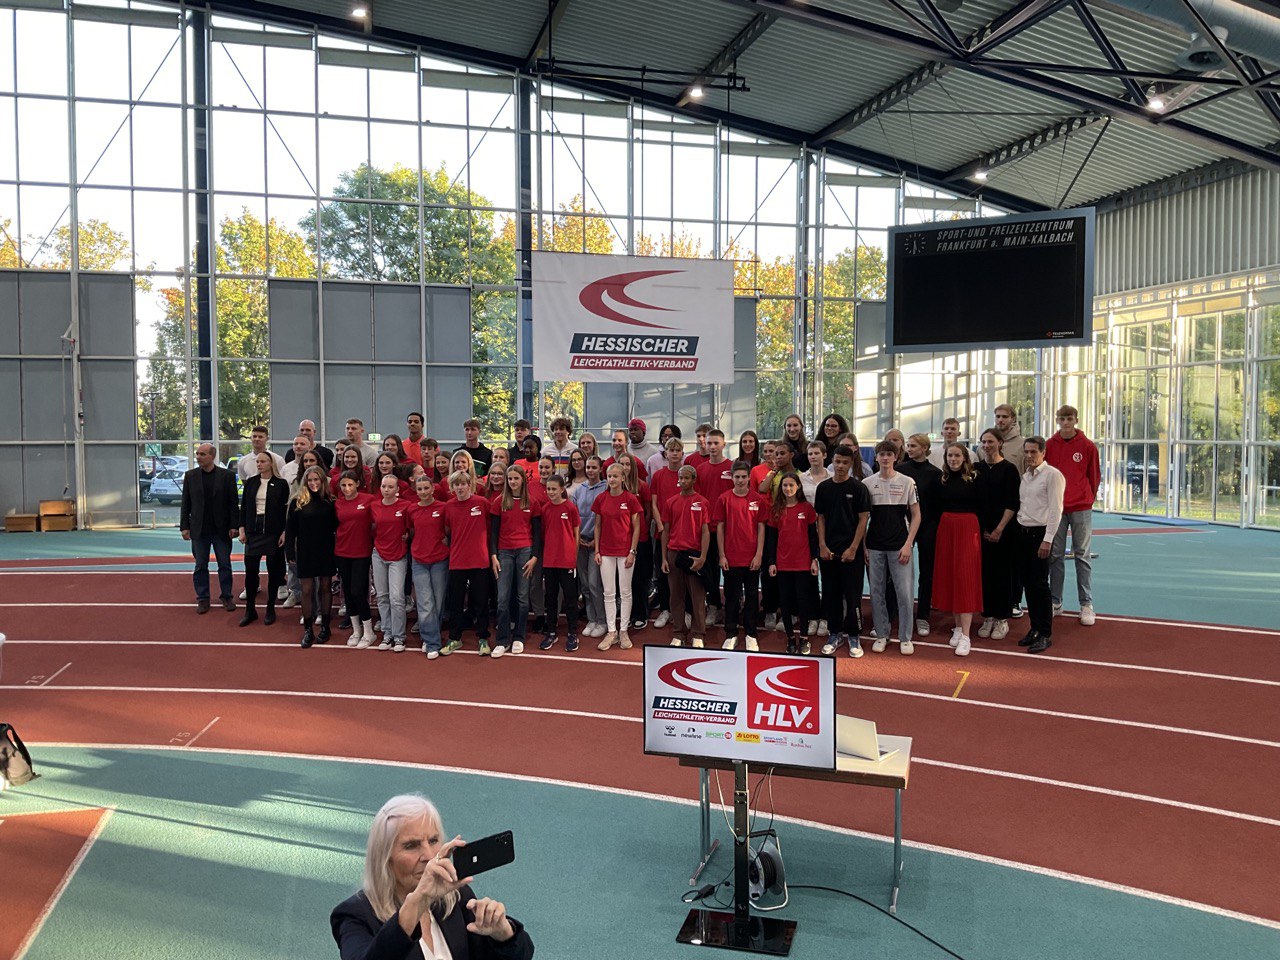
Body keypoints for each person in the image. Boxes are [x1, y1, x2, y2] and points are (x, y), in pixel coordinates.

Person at [330, 794, 534, 960]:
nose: (428, 856)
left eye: (433, 840)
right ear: (384, 857)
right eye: (411, 845)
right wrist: (418, 900)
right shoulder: (354, 915)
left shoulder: (455, 898)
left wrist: (502, 934)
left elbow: (522, 954)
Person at [864, 440, 921, 655]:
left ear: (896, 457)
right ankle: (882, 634)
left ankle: (905, 637)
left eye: (889, 454)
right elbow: (863, 518)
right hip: (875, 546)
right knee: (877, 592)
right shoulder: (867, 483)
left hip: (899, 546)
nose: (885, 458)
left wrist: (908, 544)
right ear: (876, 457)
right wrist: (865, 547)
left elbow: (916, 515)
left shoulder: (907, 482)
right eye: (882, 454)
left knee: (904, 593)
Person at [1045, 404, 1100, 625]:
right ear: (1057, 420)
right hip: (1056, 509)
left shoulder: (1087, 446)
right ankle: (1055, 601)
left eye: (1069, 419)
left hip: (1080, 507)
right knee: (1055, 555)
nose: (1066, 422)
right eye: (1062, 418)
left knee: (1082, 555)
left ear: (1076, 420)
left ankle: (1086, 604)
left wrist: (1087, 498)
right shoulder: (1049, 445)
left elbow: (1094, 476)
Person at [815, 445, 872, 658]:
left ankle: (854, 635)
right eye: (837, 461)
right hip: (829, 551)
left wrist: (853, 548)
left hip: (851, 552)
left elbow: (863, 519)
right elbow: (820, 518)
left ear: (851, 464)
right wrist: (822, 545)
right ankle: (834, 634)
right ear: (832, 461)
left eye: (844, 463)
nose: (840, 466)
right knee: (831, 594)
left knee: (852, 594)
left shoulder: (859, 488)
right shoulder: (823, 488)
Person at [932, 444, 984, 657]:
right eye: (950, 455)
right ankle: (958, 627)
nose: (953, 459)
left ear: (965, 458)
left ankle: (966, 636)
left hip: (967, 527)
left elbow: (983, 506)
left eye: (957, 455)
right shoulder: (942, 479)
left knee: (965, 578)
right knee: (951, 577)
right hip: (946, 527)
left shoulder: (975, 478)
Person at [1017, 437, 1065, 655]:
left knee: (1040, 585)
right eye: (1026, 452)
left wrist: (1048, 539)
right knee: (1028, 584)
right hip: (1023, 534)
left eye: (1033, 452)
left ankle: (1045, 633)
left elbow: (1056, 510)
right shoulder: (1026, 476)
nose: (1029, 456)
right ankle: (1034, 628)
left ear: (1043, 453)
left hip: (1040, 535)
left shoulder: (1053, 475)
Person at [180, 442, 240, 614]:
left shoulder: (227, 476)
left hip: (221, 530)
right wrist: (184, 527)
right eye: (197, 454)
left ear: (212, 456)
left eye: (202, 454)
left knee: (225, 565)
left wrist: (234, 525)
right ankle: (203, 598)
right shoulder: (190, 476)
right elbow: (185, 503)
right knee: (200, 566)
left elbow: (233, 503)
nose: (198, 457)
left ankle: (226, 596)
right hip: (199, 530)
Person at [765, 472, 819, 655]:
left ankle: (804, 638)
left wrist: (814, 559)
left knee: (803, 601)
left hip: (803, 563)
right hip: (783, 564)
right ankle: (790, 638)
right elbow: (772, 539)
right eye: (785, 485)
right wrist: (772, 562)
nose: (788, 489)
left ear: (798, 487)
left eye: (791, 485)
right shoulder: (776, 510)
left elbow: (813, 536)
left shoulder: (807, 508)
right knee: (785, 602)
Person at [491, 464, 541, 659]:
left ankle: (519, 636)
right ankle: (502, 640)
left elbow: (537, 533)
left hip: (525, 552)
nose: (512, 482)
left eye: (516, 478)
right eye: (510, 478)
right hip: (504, 553)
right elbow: (493, 532)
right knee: (502, 598)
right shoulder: (499, 502)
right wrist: (493, 556)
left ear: (522, 480)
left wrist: (534, 556)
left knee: (522, 597)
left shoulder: (532, 503)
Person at [285, 466, 338, 648]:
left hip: (326, 550)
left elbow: (337, 527)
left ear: (323, 481)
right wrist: (289, 551)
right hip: (305, 551)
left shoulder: (331, 501)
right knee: (306, 590)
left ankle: (325, 627)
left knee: (325, 587)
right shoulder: (297, 501)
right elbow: (290, 529)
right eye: (310, 480)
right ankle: (308, 629)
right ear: (305, 482)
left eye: (317, 480)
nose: (313, 483)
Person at [715, 461, 766, 651]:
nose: (741, 480)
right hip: (731, 558)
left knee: (752, 597)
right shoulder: (724, 499)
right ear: (732, 477)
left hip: (752, 558)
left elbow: (761, 528)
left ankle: (751, 634)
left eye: (744, 477)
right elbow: (720, 528)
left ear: (749, 478)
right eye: (737, 477)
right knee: (732, 597)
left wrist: (759, 554)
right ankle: (731, 633)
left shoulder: (758, 499)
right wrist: (722, 555)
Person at [975, 427, 1020, 642]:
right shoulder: (976, 469)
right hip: (981, 532)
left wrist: (999, 529)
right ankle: (988, 616)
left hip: (1004, 532)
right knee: (985, 574)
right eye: (983, 442)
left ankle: (1002, 618)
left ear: (1000, 443)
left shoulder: (1009, 470)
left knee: (1002, 574)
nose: (986, 445)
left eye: (990, 442)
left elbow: (1012, 503)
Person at [592, 463, 641, 651]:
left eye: (615, 476)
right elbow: (598, 526)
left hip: (625, 552)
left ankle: (623, 631)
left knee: (626, 592)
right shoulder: (601, 498)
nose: (611, 479)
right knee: (609, 592)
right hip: (605, 552)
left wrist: (632, 551)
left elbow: (636, 527)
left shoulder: (630, 499)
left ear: (623, 478)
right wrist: (597, 550)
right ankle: (611, 631)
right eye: (609, 476)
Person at [443, 471, 494, 655]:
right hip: (457, 560)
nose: (460, 487)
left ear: (470, 485)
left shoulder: (482, 503)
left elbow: (490, 527)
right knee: (456, 602)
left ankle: (483, 638)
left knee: (481, 601)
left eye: (463, 484)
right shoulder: (449, 506)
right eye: (456, 484)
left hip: (479, 559)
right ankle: (454, 638)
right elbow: (447, 530)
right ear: (452, 487)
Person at [661, 465, 711, 649]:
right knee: (676, 596)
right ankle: (679, 632)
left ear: (694, 480)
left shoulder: (702, 502)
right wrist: (664, 558)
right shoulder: (670, 502)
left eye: (686, 478)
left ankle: (698, 633)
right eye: (680, 478)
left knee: (697, 596)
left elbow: (705, 531)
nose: (682, 481)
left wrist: (703, 557)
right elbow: (665, 531)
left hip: (694, 555)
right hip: (674, 553)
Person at [898, 434, 943, 638]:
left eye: (913, 446)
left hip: (927, 526)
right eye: (908, 445)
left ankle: (923, 615)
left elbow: (937, 504)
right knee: (899, 570)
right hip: (903, 525)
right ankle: (898, 611)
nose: (909, 449)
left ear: (925, 448)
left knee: (926, 572)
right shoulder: (900, 470)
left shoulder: (935, 474)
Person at [239, 451, 290, 627]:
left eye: (263, 461)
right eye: (258, 462)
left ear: (271, 463)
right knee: (251, 572)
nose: (259, 464)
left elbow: (285, 511)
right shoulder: (251, 482)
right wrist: (242, 529)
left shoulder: (281, 484)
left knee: (273, 571)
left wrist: (284, 532)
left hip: (273, 532)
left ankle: (270, 608)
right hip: (253, 531)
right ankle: (250, 610)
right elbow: (244, 507)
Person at [695, 430, 733, 627]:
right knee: (709, 571)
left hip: (730, 529)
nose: (712, 446)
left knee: (730, 570)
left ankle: (733, 605)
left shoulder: (732, 468)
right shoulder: (701, 470)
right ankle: (714, 605)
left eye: (716, 443)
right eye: (709, 443)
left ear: (724, 444)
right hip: (708, 529)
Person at [370, 474, 412, 653]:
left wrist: (407, 536)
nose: (386, 490)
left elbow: (411, 528)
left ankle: (399, 636)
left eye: (390, 487)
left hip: (398, 556)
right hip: (378, 554)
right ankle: (387, 634)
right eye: (384, 486)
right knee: (382, 596)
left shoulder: (406, 506)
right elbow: (372, 528)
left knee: (396, 597)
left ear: (397, 489)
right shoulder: (374, 506)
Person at [539, 474, 581, 652]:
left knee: (570, 598)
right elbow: (543, 534)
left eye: (554, 489)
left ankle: (572, 632)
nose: (551, 492)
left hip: (566, 560)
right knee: (550, 598)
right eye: (548, 489)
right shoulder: (545, 509)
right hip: (550, 561)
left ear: (562, 489)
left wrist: (574, 557)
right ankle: (551, 632)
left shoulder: (570, 508)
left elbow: (576, 533)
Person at [408, 475, 449, 660]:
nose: (423, 492)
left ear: (433, 489)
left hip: (439, 560)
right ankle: (432, 641)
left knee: (438, 601)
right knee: (425, 602)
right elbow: (411, 531)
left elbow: (448, 529)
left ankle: (433, 633)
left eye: (426, 488)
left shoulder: (443, 508)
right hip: (419, 561)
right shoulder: (412, 509)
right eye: (420, 489)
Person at [335, 470, 377, 647]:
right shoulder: (337, 503)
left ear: (357, 484)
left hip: (362, 552)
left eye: (350, 485)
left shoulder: (368, 500)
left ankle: (368, 631)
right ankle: (356, 630)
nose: (347, 488)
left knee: (358, 591)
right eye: (343, 485)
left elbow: (378, 520)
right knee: (348, 592)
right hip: (342, 551)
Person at [647, 438, 684, 629]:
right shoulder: (659, 475)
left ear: (682, 453)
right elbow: (653, 503)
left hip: (683, 533)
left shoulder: (687, 475)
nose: (675, 453)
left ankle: (684, 610)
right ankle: (665, 609)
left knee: (683, 574)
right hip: (662, 531)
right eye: (671, 450)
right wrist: (660, 524)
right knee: (663, 571)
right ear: (666, 453)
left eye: (678, 450)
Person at [615, 453, 652, 632]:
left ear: (633, 467)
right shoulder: (614, 487)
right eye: (621, 464)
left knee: (639, 579)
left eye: (627, 464)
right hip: (621, 540)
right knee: (623, 581)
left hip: (640, 540)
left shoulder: (642, 486)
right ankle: (626, 615)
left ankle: (641, 614)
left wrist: (642, 529)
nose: (624, 467)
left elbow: (648, 512)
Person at [573, 456, 608, 640]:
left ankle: (602, 621)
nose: (590, 470)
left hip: (597, 544)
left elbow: (606, 518)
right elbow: (575, 516)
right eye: (588, 467)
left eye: (594, 467)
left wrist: (597, 541)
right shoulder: (579, 490)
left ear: (600, 469)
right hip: (581, 542)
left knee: (595, 584)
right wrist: (577, 538)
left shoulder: (606, 488)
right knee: (585, 585)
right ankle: (591, 619)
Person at [994, 404, 1026, 472]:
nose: (1000, 420)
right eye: (998, 416)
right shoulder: (984, 445)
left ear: (1013, 419)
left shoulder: (1023, 444)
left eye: (1004, 417)